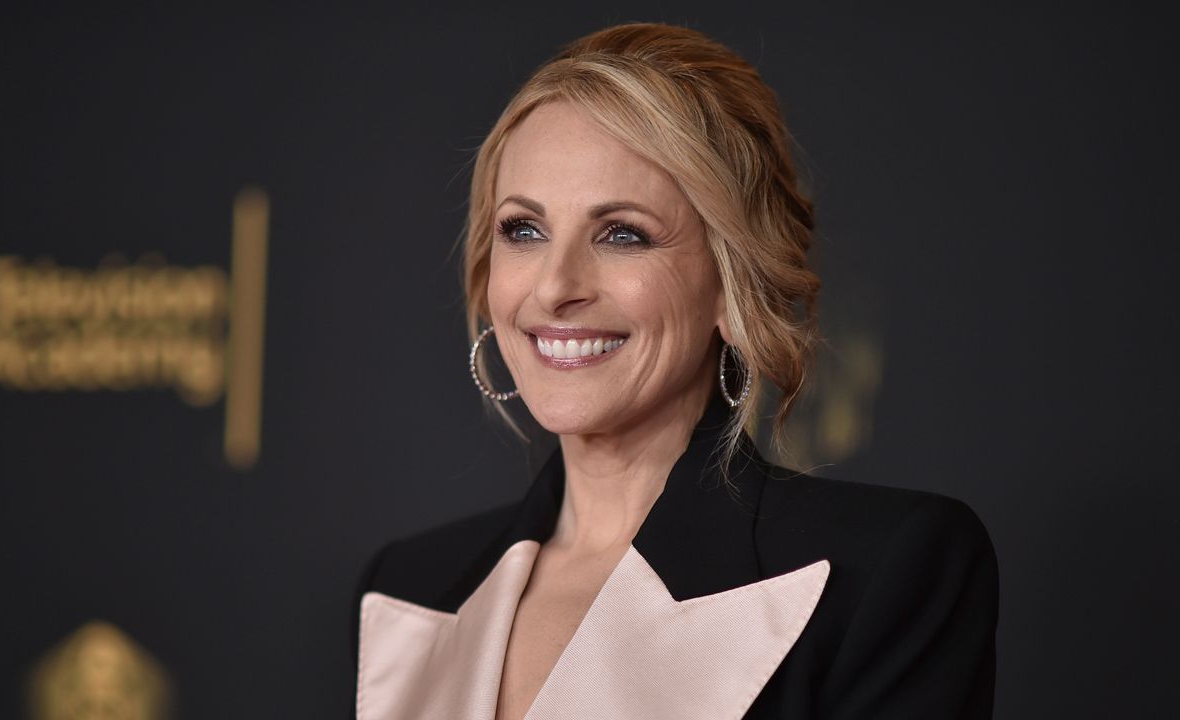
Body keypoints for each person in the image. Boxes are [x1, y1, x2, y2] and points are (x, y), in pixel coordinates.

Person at [350, 22, 998, 720]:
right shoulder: (407, 588)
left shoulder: (884, 570)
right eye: (524, 230)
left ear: (730, 283)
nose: (553, 286)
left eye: (622, 234)